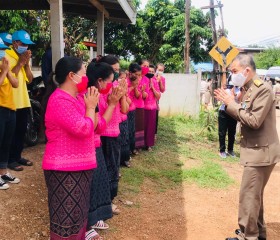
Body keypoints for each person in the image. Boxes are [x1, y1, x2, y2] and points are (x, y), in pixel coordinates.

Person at [214, 54, 280, 240]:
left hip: (261, 152)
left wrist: (231, 104)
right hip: (258, 150)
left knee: (249, 196)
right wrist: (232, 104)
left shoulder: (262, 89)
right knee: (254, 195)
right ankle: (258, 234)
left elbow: (254, 121)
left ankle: (248, 236)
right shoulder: (249, 88)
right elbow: (244, 115)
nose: (232, 75)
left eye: (234, 71)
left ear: (247, 71)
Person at [42, 56, 99, 239]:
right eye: (83, 73)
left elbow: (97, 125)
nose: (86, 78)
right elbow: (83, 128)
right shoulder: (59, 100)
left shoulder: (77, 98)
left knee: (78, 217)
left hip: (80, 167)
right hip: (64, 170)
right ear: (72, 76)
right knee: (65, 222)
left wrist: (92, 106)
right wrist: (91, 107)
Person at [86, 61, 123, 239]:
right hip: (89, 145)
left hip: (95, 143)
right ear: (99, 81)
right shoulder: (90, 96)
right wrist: (112, 104)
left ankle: (93, 218)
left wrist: (113, 102)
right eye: (109, 81)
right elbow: (96, 127)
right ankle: (86, 224)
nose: (111, 85)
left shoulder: (94, 93)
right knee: (89, 186)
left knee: (98, 182)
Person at [6, 30, 34, 171]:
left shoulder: (23, 58)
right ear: (15, 43)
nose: (26, 47)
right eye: (23, 44)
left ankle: (17, 156)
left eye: (27, 45)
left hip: (23, 100)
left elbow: (30, 79)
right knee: (11, 132)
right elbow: (9, 78)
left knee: (22, 130)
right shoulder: (6, 56)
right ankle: (9, 160)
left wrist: (26, 64)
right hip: (11, 101)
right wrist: (20, 63)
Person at [0, 38, 20, 190]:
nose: (2, 52)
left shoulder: (3, 66)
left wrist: (6, 72)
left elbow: (16, 83)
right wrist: (5, 71)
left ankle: (3, 172)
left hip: (10, 109)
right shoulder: (3, 68)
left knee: (6, 142)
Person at [218, 80, 241, 158]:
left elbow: (240, 101)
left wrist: (235, 96)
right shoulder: (226, 91)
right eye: (231, 86)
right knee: (222, 132)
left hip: (233, 114)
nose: (232, 87)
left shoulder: (240, 91)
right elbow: (221, 100)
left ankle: (230, 150)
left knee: (232, 133)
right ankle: (222, 150)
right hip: (223, 113)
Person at [144, 64, 161, 151]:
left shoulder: (155, 81)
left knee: (151, 127)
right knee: (142, 127)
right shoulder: (142, 80)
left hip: (152, 107)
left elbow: (158, 96)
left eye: (152, 72)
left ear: (154, 73)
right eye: (149, 71)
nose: (150, 73)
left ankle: (149, 144)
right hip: (143, 107)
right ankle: (140, 144)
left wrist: (152, 87)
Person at [127, 63, 142, 156]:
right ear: (130, 73)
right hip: (125, 110)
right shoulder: (125, 81)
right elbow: (123, 93)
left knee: (132, 130)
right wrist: (132, 86)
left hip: (133, 108)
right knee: (127, 131)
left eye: (139, 75)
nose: (137, 77)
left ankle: (132, 148)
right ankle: (127, 150)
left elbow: (138, 96)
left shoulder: (137, 82)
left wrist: (136, 86)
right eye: (136, 74)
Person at [134, 59, 149, 151]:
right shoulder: (133, 77)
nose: (146, 68)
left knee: (139, 126)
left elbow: (145, 95)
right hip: (131, 105)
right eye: (144, 65)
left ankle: (138, 146)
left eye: (148, 66)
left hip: (140, 105)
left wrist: (143, 91)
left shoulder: (146, 79)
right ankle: (132, 146)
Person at [155, 63, 166, 138]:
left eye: (162, 70)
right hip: (148, 100)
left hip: (156, 100)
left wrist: (160, 81)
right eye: (159, 70)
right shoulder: (152, 76)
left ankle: (154, 133)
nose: (160, 71)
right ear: (156, 69)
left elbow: (162, 90)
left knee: (155, 117)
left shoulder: (163, 79)